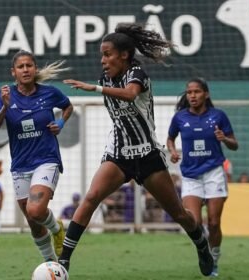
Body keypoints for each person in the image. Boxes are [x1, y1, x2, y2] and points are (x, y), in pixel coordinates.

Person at [60, 23, 214, 276]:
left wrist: (94, 88)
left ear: (124, 54)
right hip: (119, 154)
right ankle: (63, 261)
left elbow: (131, 94)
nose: (103, 60)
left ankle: (201, 243)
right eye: (101, 55)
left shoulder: (137, 73)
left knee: (178, 213)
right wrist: (99, 85)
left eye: (107, 54)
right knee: (91, 197)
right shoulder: (106, 78)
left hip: (148, 155)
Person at [0, 50, 73, 261]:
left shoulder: (49, 92)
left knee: (35, 210)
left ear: (35, 69)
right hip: (20, 165)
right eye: (20, 67)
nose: (25, 70)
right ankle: (51, 264)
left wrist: (61, 122)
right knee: (33, 223)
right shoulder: (5, 95)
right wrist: (5, 108)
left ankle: (57, 228)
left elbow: (68, 106)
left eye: (29, 66)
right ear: (13, 72)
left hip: (46, 160)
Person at [166, 77, 239, 277]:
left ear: (206, 94)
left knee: (214, 223)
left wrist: (225, 139)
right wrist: (172, 151)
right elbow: (170, 138)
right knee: (195, 223)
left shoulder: (218, 116)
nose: (192, 96)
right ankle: (203, 252)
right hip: (190, 176)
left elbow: (235, 144)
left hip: (214, 172)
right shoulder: (180, 118)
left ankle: (214, 257)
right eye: (189, 92)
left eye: (197, 92)